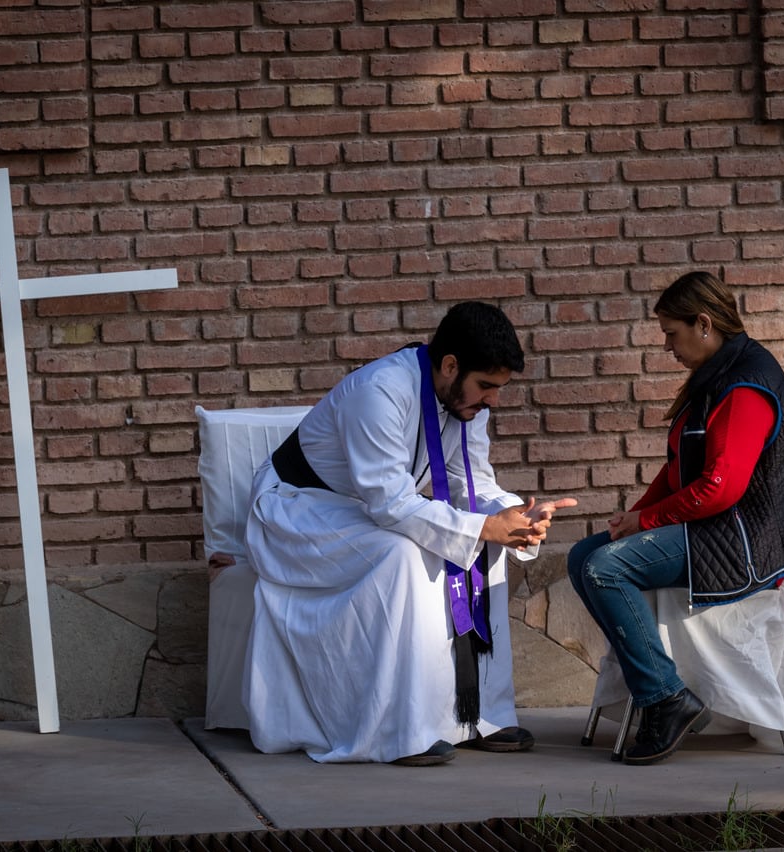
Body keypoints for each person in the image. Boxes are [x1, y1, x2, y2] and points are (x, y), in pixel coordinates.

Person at [243, 301, 577, 765]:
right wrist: (483, 525)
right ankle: (398, 730)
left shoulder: (464, 404)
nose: (494, 401)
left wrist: (515, 516)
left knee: (487, 548)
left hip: (358, 508)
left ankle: (477, 717)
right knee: (401, 553)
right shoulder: (378, 392)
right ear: (449, 365)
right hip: (294, 511)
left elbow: (471, 482)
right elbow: (390, 503)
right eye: (486, 387)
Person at [567, 271, 784, 766]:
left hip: (742, 542)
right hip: (710, 530)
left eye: (672, 332)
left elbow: (720, 488)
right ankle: (662, 689)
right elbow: (678, 470)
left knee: (606, 568)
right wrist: (637, 515)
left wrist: (647, 525)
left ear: (704, 324)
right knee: (583, 555)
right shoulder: (714, 378)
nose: (668, 345)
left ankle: (665, 699)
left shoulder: (746, 386)